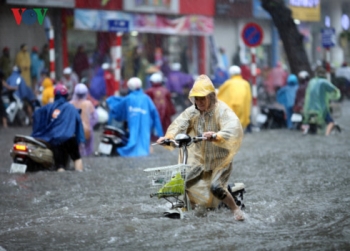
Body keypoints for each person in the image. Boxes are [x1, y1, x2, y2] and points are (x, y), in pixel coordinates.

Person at [156, 75, 244, 221]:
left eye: (202, 98)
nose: (199, 102)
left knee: (216, 187)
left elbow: (233, 128)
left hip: (220, 159)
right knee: (181, 182)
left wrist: (217, 135)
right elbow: (179, 124)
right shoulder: (192, 111)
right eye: (196, 99)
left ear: (210, 97)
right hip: (200, 158)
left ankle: (236, 210)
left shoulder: (222, 111)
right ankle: (183, 209)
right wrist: (168, 138)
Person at [31, 84, 85, 172]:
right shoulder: (71, 107)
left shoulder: (49, 107)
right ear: (66, 96)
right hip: (69, 138)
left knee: (60, 166)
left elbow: (36, 114)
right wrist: (80, 140)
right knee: (77, 159)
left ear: (55, 95)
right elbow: (79, 124)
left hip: (55, 139)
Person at [107, 77, 163, 157]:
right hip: (146, 125)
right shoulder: (146, 98)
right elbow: (155, 115)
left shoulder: (128, 98)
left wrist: (110, 101)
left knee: (133, 136)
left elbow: (118, 110)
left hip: (133, 123)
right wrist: (159, 132)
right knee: (144, 139)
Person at [302, 67, 340, 136]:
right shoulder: (324, 82)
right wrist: (336, 96)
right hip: (321, 108)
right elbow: (335, 91)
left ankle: (306, 130)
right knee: (331, 122)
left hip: (309, 108)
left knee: (307, 121)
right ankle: (327, 134)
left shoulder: (311, 81)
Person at [217, 65, 252, 131]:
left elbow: (220, 93)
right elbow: (248, 98)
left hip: (231, 107)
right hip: (242, 107)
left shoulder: (228, 83)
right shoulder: (245, 83)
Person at [70, 83, 98, 156]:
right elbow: (95, 117)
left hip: (73, 131)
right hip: (86, 131)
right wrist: (89, 124)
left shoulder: (70, 104)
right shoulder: (88, 103)